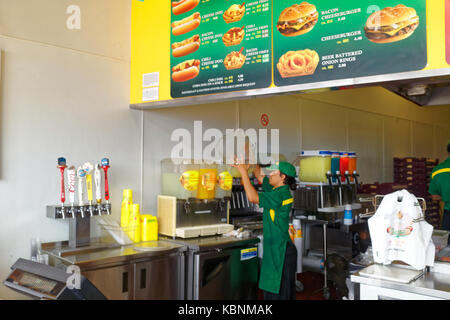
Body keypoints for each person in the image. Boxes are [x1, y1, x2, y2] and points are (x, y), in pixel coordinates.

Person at [233, 160, 297, 300]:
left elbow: (252, 197)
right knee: (272, 291)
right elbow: (258, 174)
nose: (270, 174)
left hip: (282, 252)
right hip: (275, 249)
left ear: (283, 177)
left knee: (279, 294)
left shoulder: (281, 195)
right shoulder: (275, 189)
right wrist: (251, 159)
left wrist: (243, 171)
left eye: (274, 172)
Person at [429, 143, 450, 239]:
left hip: (448, 214)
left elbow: (435, 196)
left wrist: (446, 197)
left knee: (447, 247)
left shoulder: (437, 170)